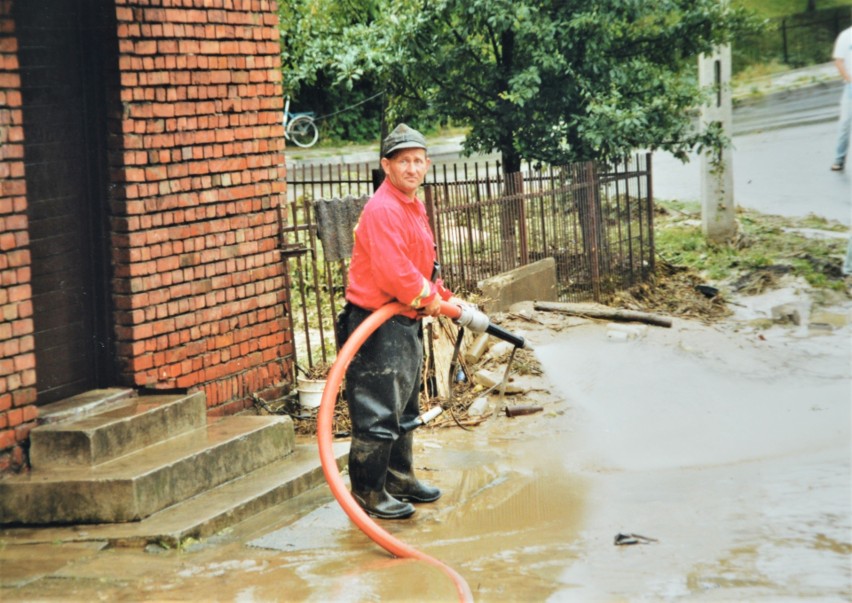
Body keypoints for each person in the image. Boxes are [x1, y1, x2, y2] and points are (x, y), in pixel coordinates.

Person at [337, 124, 452, 519]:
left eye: (419, 161)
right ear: (387, 165)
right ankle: (368, 492)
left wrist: (440, 293)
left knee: (403, 408)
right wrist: (427, 298)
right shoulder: (384, 208)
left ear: (427, 165)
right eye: (404, 161)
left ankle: (399, 478)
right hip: (375, 326)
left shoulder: (410, 203)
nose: (413, 168)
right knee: (377, 413)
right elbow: (395, 273)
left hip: (403, 320)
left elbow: (418, 259)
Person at [831, 25, 852, 171]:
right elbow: (839, 61)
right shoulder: (845, 36)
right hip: (850, 86)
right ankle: (839, 159)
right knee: (844, 123)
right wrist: (849, 79)